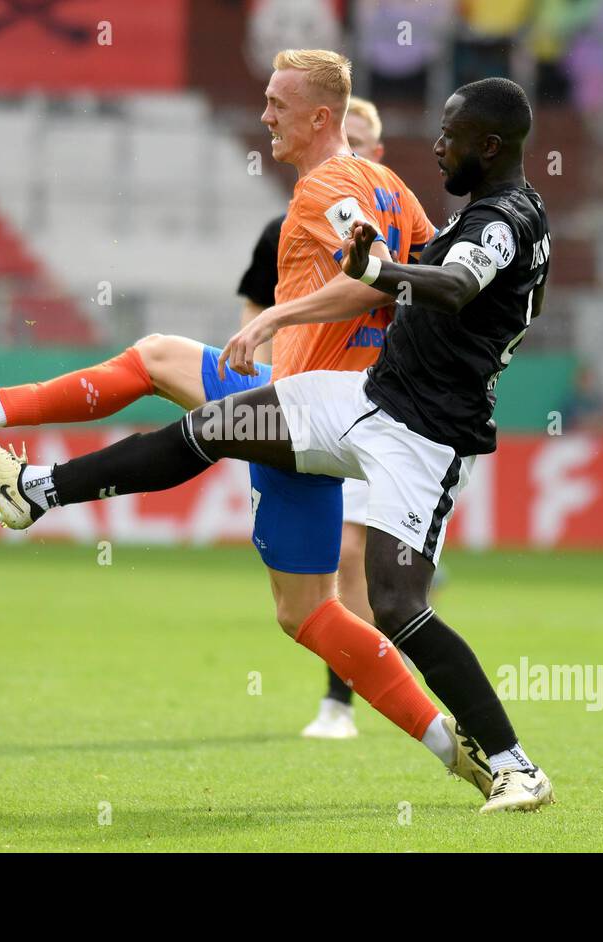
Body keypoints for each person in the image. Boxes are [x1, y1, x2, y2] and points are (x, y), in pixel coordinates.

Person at [0, 77, 556, 814]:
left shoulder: (501, 221)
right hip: (362, 398)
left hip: (420, 437)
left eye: (451, 135)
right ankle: (34, 491)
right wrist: (359, 277)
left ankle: (514, 763)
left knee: (394, 602)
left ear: (490, 145)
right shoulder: (476, 212)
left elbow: (452, 286)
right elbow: (417, 279)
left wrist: (370, 273)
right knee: (217, 427)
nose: (438, 145)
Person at [236, 95, 390, 739]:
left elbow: (401, 289)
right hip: (308, 404)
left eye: (358, 139)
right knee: (334, 565)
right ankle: (344, 696)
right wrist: (259, 372)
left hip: (379, 404)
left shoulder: (393, 226)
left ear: (372, 153)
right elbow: (252, 307)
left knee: (364, 561)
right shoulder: (284, 229)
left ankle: (347, 697)